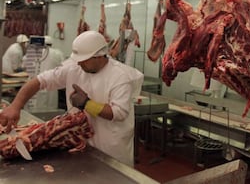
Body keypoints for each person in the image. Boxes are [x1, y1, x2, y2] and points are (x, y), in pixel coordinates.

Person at [0, 30, 144, 167]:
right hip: (80, 142)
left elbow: (118, 113)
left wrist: (87, 104)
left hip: (111, 148)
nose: (79, 63)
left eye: (84, 60)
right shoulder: (75, 67)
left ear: (99, 56)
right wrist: (15, 106)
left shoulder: (120, 76)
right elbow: (40, 81)